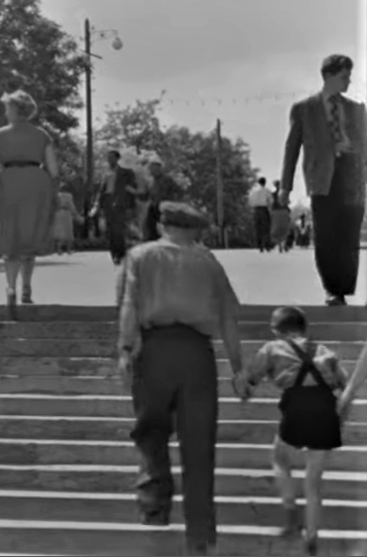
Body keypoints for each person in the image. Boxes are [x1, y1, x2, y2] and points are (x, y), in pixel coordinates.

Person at [116, 202, 247, 557]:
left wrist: (125, 349)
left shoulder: (140, 256)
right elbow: (228, 319)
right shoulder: (209, 262)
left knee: (150, 428)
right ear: (193, 231)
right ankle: (200, 534)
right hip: (197, 355)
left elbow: (129, 305)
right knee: (199, 442)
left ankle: (154, 506)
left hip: (155, 350)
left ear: (163, 226)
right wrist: (238, 369)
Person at [243, 306, 346, 556]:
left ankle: (291, 513)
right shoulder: (324, 350)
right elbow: (343, 382)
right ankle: (312, 536)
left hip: (297, 408)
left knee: (280, 458)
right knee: (314, 480)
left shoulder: (272, 348)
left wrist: (246, 391)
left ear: (276, 330)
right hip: (325, 409)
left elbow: (251, 377)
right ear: (304, 328)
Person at [280, 54, 367, 306]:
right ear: (328, 76)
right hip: (322, 178)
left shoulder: (357, 109)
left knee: (349, 233)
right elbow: (291, 149)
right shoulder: (304, 109)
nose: (348, 81)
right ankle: (332, 290)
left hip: (352, 173)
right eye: (344, 76)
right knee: (326, 234)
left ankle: (344, 286)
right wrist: (285, 187)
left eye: (349, 76)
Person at [0, 90, 58, 318]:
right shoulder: (41, 135)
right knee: (30, 232)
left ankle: (10, 287)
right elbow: (53, 169)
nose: (5, 112)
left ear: (15, 109)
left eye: (7, 108)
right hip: (36, 182)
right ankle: (27, 287)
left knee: (10, 233)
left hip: (8, 182)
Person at [92, 149, 137, 265]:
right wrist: (97, 204)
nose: (109, 159)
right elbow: (101, 190)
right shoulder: (106, 173)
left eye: (112, 157)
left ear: (117, 159)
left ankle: (121, 254)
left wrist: (131, 206)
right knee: (110, 230)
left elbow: (132, 190)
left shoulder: (126, 173)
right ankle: (114, 254)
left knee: (119, 230)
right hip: (107, 203)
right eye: (108, 157)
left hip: (120, 204)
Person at [141, 157, 182, 242]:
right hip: (153, 207)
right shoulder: (150, 181)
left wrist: (173, 204)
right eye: (150, 168)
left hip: (164, 207)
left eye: (153, 168)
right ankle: (152, 242)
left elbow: (178, 191)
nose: (151, 170)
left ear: (159, 168)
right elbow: (145, 196)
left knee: (164, 228)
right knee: (150, 227)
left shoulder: (167, 179)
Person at [52, 184, 81, 255]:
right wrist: (76, 215)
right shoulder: (68, 196)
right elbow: (71, 206)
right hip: (66, 214)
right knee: (68, 232)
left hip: (57, 213)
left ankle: (59, 249)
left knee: (60, 232)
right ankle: (68, 249)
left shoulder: (56, 195)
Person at [248, 177, 274, 252]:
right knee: (266, 228)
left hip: (256, 209)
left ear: (258, 183)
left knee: (257, 228)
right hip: (263, 209)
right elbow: (271, 201)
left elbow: (250, 200)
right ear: (264, 183)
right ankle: (266, 244)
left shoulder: (253, 191)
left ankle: (259, 245)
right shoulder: (266, 190)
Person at [270, 181, 293, 253]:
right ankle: (283, 244)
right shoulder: (284, 194)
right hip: (283, 211)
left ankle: (279, 244)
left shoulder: (272, 195)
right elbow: (287, 203)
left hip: (275, 212)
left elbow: (270, 204)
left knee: (276, 229)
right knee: (284, 229)